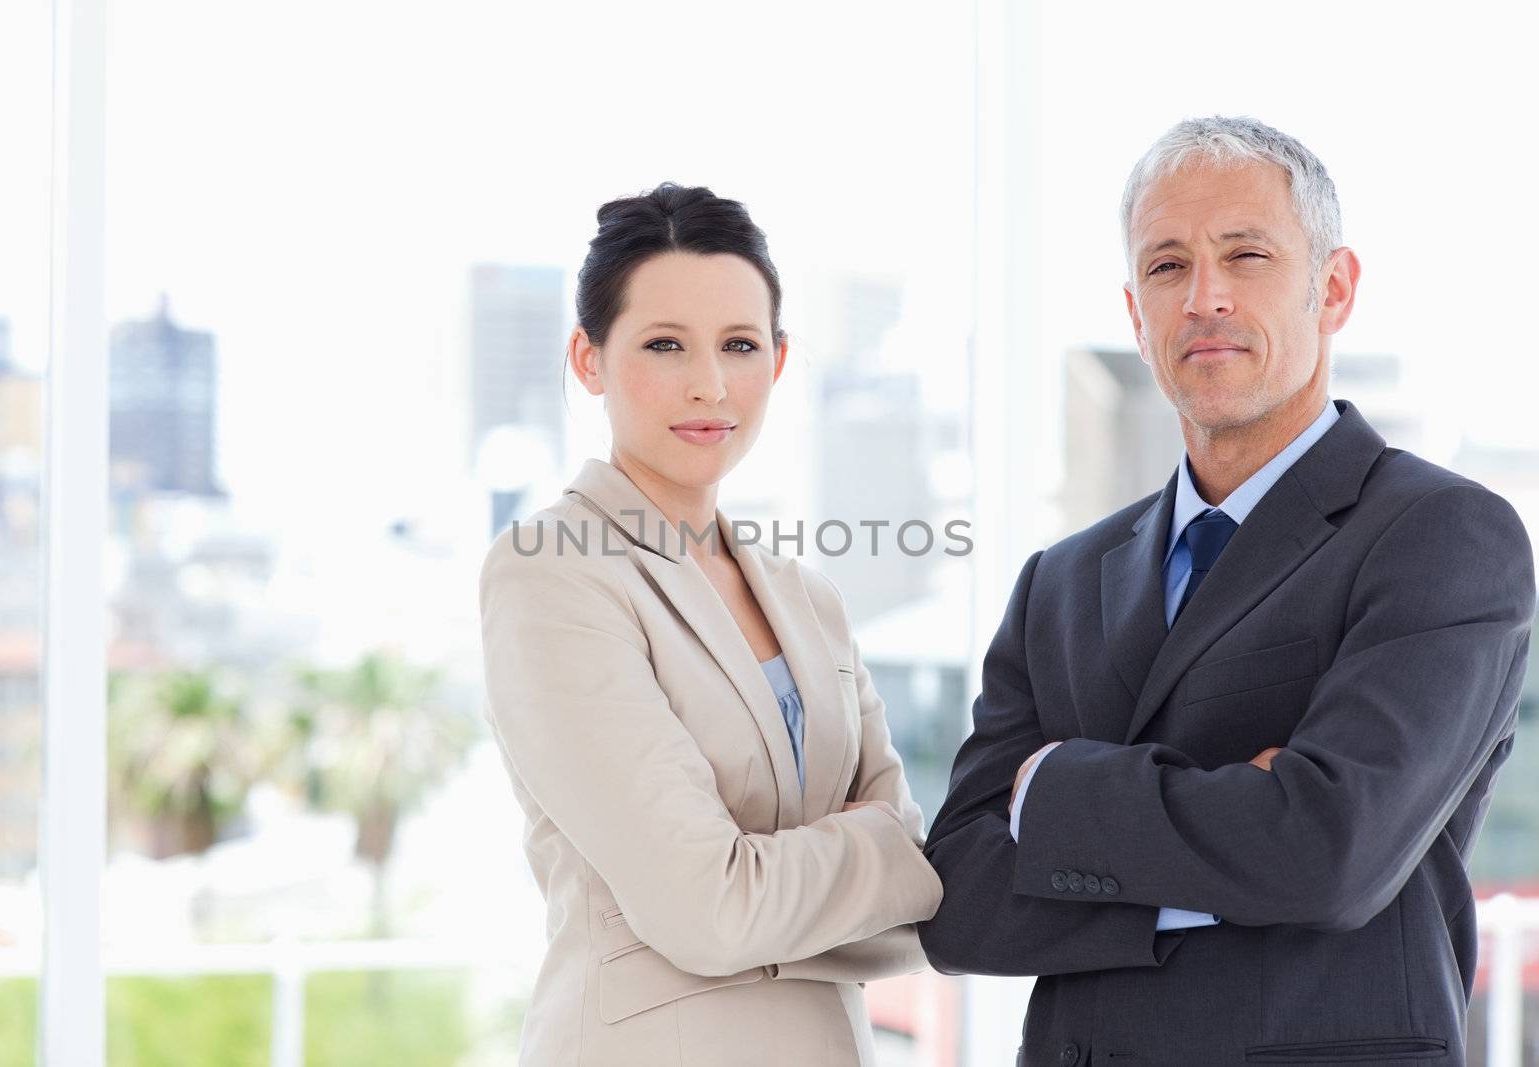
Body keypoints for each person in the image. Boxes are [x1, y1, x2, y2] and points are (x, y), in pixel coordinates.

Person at [919, 116, 1535, 1066]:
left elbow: (1328, 852)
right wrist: (1241, 824)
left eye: (1245, 255)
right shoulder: (1062, 581)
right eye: (1167, 267)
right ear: (1135, 314)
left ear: (1331, 288)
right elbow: (959, 900)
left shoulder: (1440, 537)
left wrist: (1056, 795)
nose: (1204, 296)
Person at [479, 182, 942, 1066]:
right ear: (589, 359)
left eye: (738, 345)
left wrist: (784, 889)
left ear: (776, 359)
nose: (709, 383)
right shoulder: (552, 571)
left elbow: (912, 918)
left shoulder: (809, 597)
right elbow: (705, 908)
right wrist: (880, 851)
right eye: (664, 344)